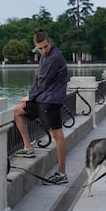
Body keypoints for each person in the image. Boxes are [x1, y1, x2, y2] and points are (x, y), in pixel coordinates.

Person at [13, 28, 69, 185]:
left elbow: (43, 82)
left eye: (45, 46)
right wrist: (29, 97)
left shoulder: (54, 57)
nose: (43, 50)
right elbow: (38, 80)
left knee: (58, 136)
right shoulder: (46, 57)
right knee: (16, 111)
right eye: (40, 48)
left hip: (50, 102)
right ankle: (27, 146)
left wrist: (29, 97)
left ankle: (62, 173)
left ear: (49, 42)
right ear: (35, 46)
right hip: (43, 100)